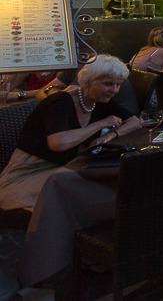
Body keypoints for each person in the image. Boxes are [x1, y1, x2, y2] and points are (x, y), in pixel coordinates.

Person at [0, 55, 141, 211]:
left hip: (65, 168)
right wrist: (102, 123)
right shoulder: (61, 102)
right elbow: (59, 143)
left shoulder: (98, 100)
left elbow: (135, 121)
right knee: (90, 196)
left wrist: (110, 135)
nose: (114, 90)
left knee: (113, 187)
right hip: (29, 173)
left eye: (118, 85)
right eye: (108, 84)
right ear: (88, 81)